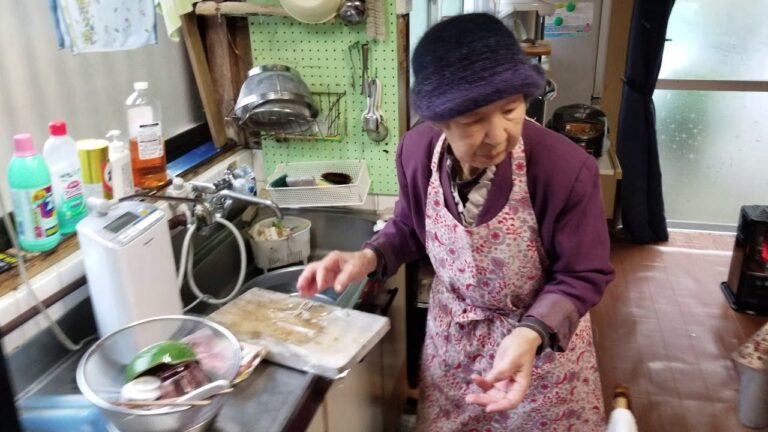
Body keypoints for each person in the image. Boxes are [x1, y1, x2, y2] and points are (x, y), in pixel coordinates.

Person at [297, 13, 614, 431]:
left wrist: (529, 334)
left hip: (539, 351)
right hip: (453, 345)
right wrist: (368, 258)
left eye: (510, 109)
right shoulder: (416, 151)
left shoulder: (564, 169)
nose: (498, 135)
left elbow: (582, 274)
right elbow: (410, 226)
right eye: (473, 120)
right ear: (439, 120)